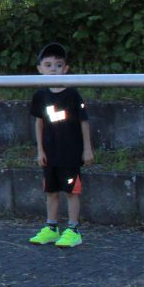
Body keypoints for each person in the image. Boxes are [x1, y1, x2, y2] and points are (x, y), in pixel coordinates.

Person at [28, 42, 94, 249]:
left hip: (71, 152)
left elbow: (84, 121)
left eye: (58, 65)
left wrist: (87, 149)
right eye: (48, 65)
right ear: (40, 69)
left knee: (72, 191)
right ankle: (51, 227)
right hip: (50, 153)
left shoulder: (73, 94)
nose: (53, 69)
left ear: (65, 68)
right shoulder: (40, 95)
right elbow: (39, 123)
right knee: (51, 191)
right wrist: (40, 150)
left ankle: (73, 229)